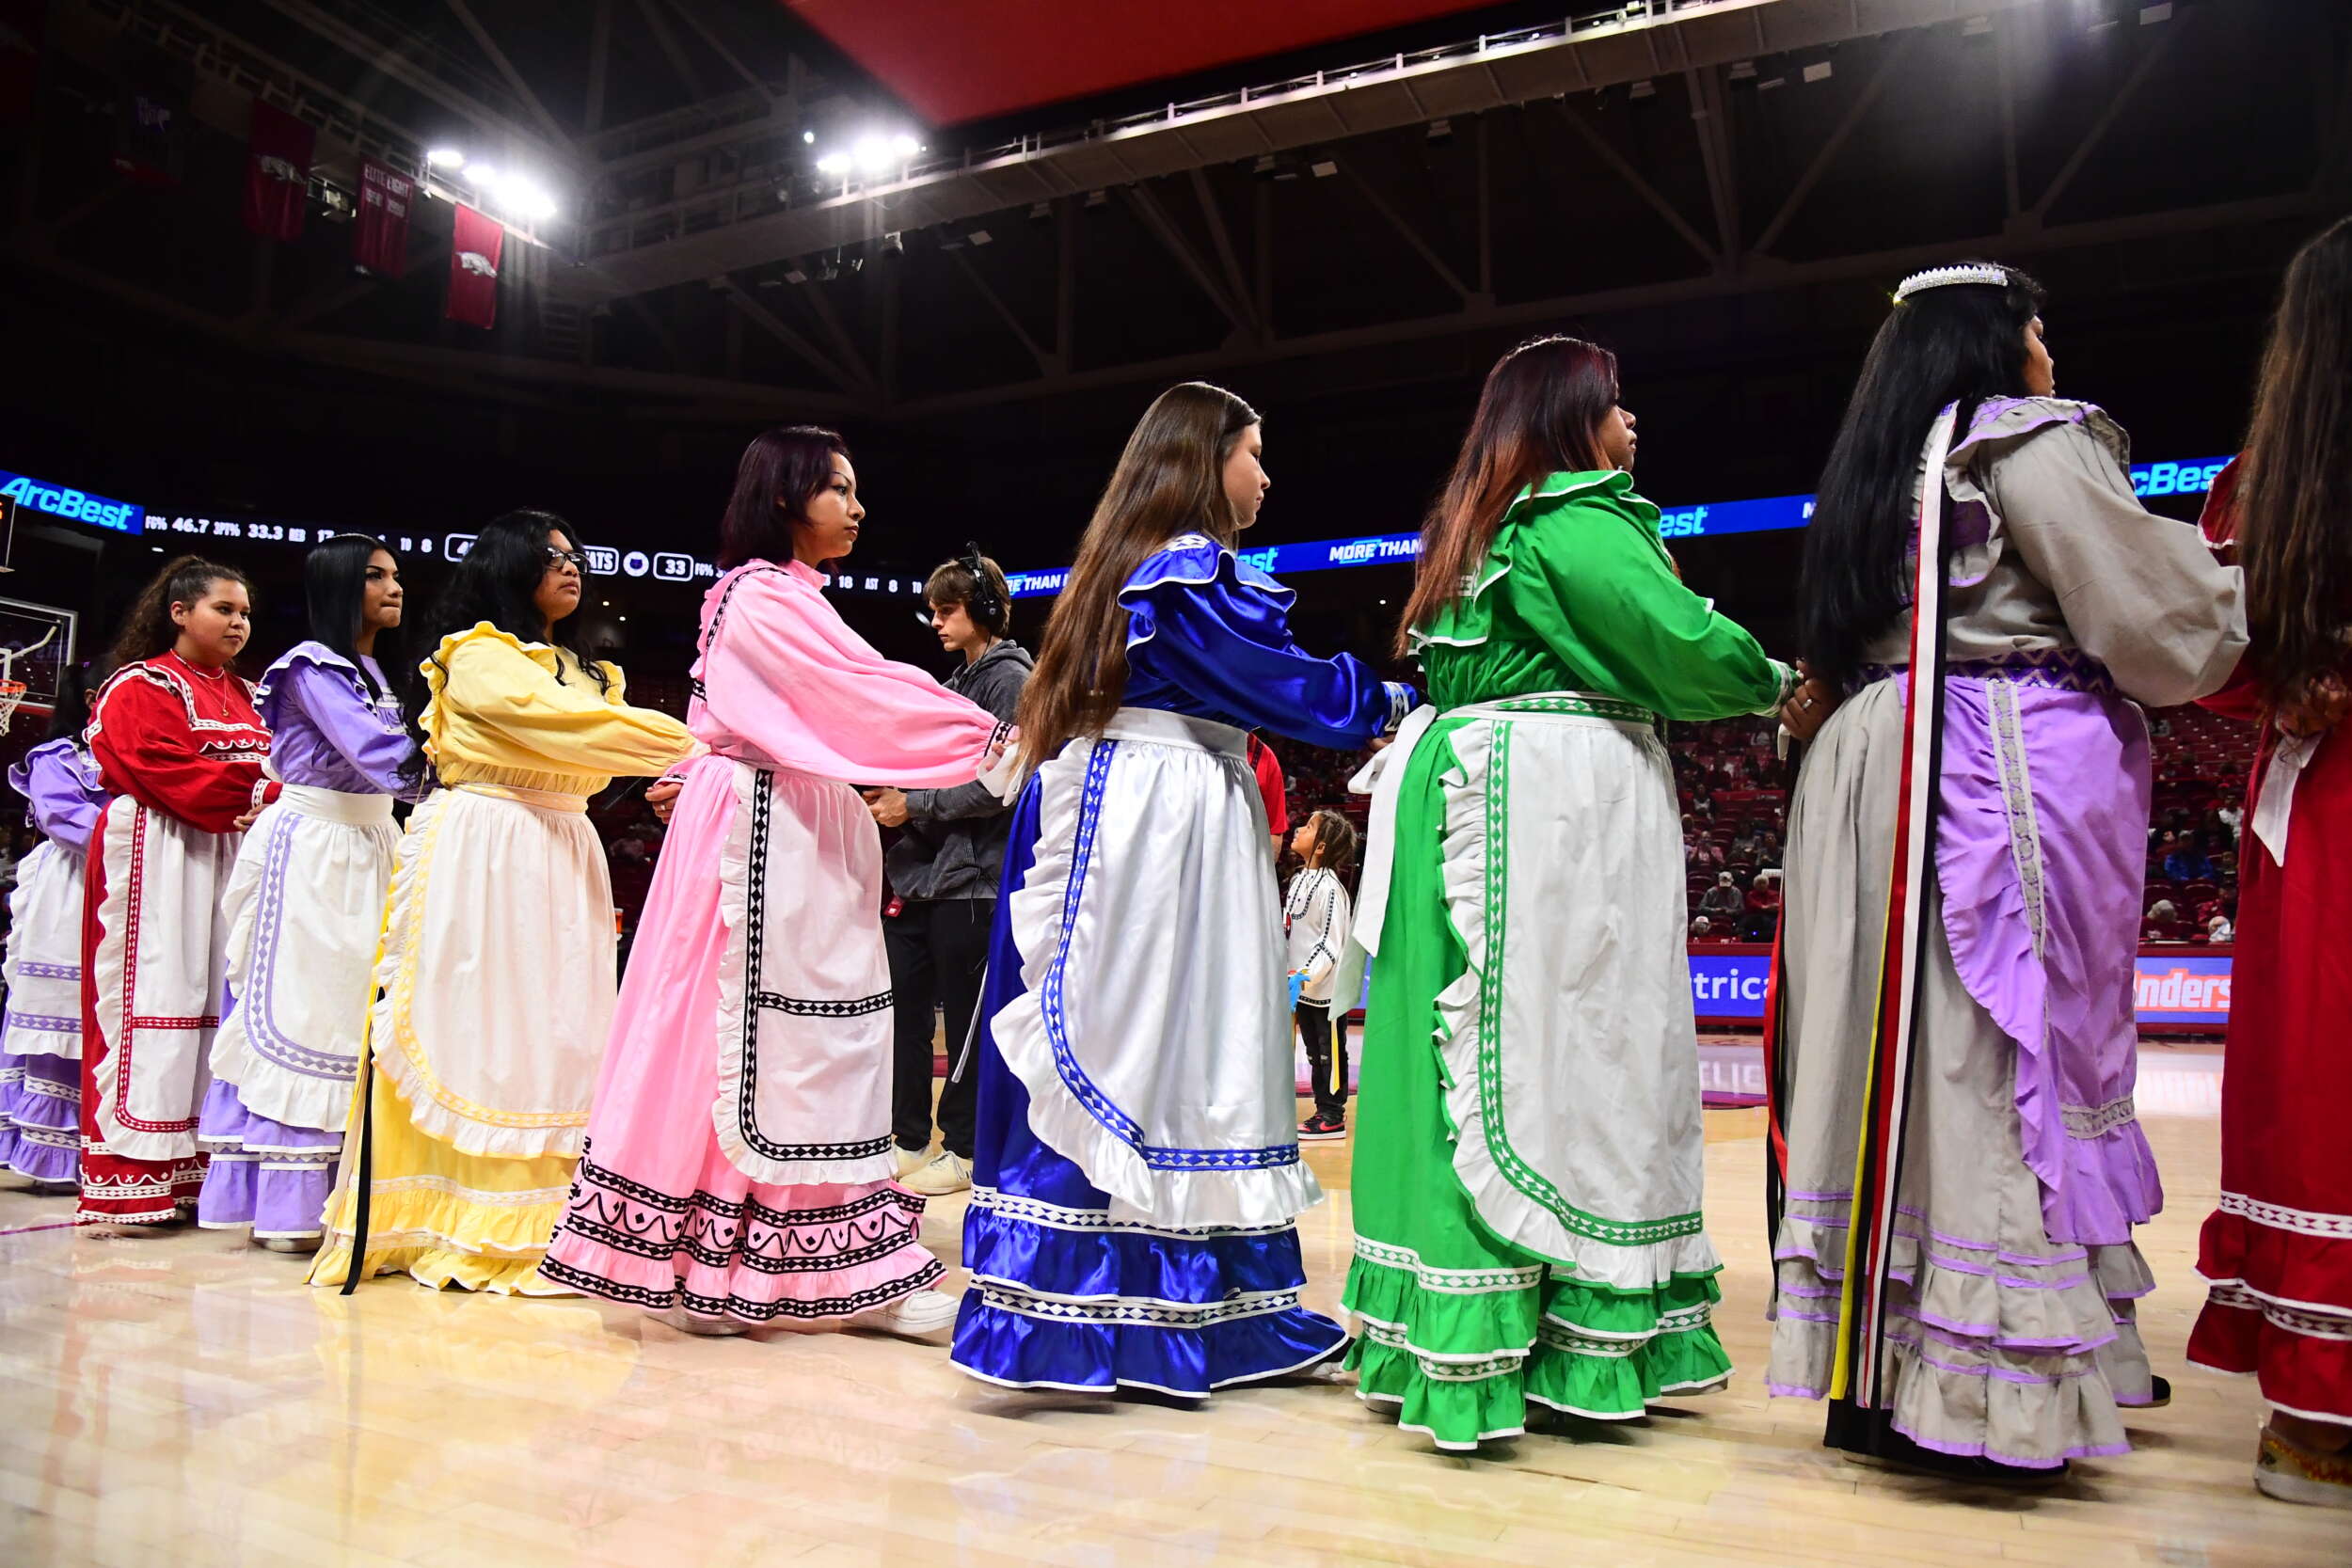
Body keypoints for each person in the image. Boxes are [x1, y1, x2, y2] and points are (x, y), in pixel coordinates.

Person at [1769, 262, 2245, 1480]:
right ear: (1996, 341)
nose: (2049, 348)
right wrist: (2271, 591)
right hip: (1986, 771)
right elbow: (2147, 611)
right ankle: (1996, 1388)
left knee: (1907, 1079)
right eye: (2039, 325)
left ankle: (1892, 1355)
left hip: (1878, 763)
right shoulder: (2021, 440)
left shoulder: (1873, 471)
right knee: (1992, 1069)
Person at [1345, 335, 1803, 1451]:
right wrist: (1779, 683)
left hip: (1469, 782)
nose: (1632, 424)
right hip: (1542, 801)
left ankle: (1467, 1328)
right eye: (1616, 404)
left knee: (1467, 1061)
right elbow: (1674, 638)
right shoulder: (1572, 518)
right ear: (1570, 419)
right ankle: (1551, 1335)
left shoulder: (1477, 528)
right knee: (1561, 1056)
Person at [950, 382, 1413, 1397]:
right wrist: (1389, 695)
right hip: (1146, 818)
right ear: (1206, 461)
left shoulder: (1146, 570)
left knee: (1187, 1048)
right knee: (1142, 1048)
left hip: (1175, 805)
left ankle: (1196, 1310)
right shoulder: (1179, 574)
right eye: (1254, 451)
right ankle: (1090, 1314)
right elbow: (1275, 680)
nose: (1265, 473)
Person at [538, 429, 1008, 1338]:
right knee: (758, 1040)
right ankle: (716, 1265)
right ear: (787, 495)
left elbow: (847, 690)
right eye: (838, 487)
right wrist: (988, 736)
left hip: (788, 822)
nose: (856, 506)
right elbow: (862, 693)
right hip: (765, 829)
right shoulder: (761, 595)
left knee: (792, 1041)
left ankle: (802, 1263)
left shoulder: (782, 597)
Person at [310, 512, 696, 1293]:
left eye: (574, 555)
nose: (569, 567)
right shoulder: (481, 654)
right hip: (490, 839)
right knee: (489, 1022)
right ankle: (468, 1216)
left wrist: (681, 756)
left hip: (564, 842)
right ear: (506, 568)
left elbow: (592, 733)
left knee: (563, 1027)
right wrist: (696, 741)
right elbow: (563, 726)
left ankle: (562, 1207)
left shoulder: (589, 670)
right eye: (548, 556)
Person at [2184, 214, 2352, 1508]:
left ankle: (2313, 1419)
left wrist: (2296, 682)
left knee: (2318, 1085)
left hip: (2321, 801)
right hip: (2324, 798)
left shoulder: (2262, 486)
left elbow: (2208, 653)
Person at [196, 536, 414, 1254]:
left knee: (359, 1013)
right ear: (342, 586)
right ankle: (288, 1200)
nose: (393, 586)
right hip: (316, 845)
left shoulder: (376, 670)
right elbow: (380, 755)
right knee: (309, 1011)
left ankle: (351, 1188)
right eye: (375, 575)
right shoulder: (311, 667)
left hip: (374, 842)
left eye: (394, 575)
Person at [79, 558, 278, 1233]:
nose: (238, 623)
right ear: (180, 612)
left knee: (218, 996)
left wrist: (267, 800)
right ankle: (135, 1175)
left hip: (231, 849)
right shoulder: (140, 685)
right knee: (158, 991)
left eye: (245, 613)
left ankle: (200, 1168)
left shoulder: (253, 694)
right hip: (158, 849)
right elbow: (162, 767)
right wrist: (259, 795)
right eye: (224, 609)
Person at [863, 546, 1033, 1200]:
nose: (936, 620)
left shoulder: (1013, 679)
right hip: (926, 875)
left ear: (986, 609)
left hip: (978, 878)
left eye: (948, 608)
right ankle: (907, 1138)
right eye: (931, 609)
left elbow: (1000, 785)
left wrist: (916, 803)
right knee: (905, 1008)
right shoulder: (957, 682)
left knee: (964, 1022)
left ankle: (963, 1147)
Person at [1, 669, 107, 1192]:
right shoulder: (58, 759)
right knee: (62, 1009)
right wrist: (137, 842)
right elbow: (62, 816)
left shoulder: (131, 753)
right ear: (93, 698)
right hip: (72, 882)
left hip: (132, 881)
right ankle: (52, 1149)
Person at [1286, 808, 1359, 1142]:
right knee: (1313, 1053)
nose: (1299, 827)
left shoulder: (1331, 889)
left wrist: (1305, 974)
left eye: (1309, 826)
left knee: (1329, 1052)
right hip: (1298, 987)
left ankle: (1332, 1115)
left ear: (1320, 847)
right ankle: (1320, 1110)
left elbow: (1330, 943)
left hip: (1325, 988)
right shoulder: (1298, 880)